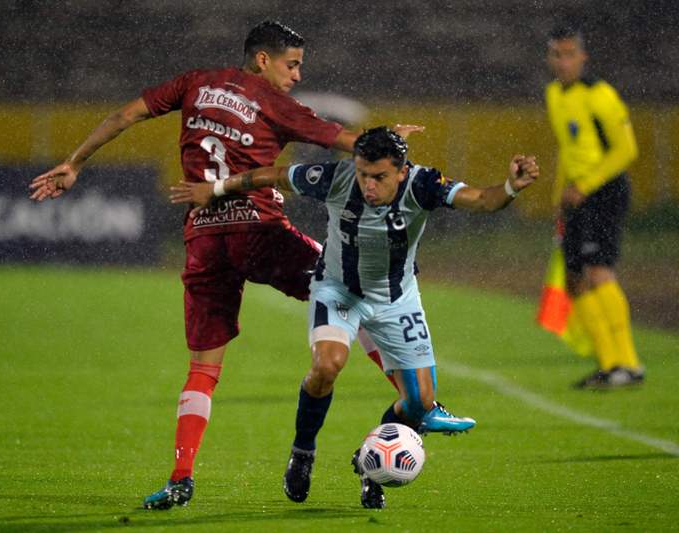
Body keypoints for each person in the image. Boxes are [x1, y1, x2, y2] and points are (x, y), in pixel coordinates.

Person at [28, 21, 413, 510]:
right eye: (292, 64)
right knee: (353, 292)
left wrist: (75, 162)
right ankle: (416, 397)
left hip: (205, 240)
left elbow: (126, 114)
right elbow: (350, 143)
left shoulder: (193, 83)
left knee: (204, 369)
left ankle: (181, 476)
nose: (296, 76)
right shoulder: (276, 103)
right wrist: (387, 138)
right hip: (261, 232)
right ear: (262, 60)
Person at [170, 126, 539, 508]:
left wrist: (511, 187)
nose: (368, 185)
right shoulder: (337, 177)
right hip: (338, 290)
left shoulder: (423, 183)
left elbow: (480, 199)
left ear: (401, 170)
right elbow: (275, 175)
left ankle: (369, 464)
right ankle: (303, 452)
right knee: (327, 366)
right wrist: (215, 190)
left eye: (379, 177)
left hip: (397, 300)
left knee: (419, 404)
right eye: (363, 174)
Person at [545, 26, 643, 389]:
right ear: (549, 58)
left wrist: (584, 186)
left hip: (604, 192)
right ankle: (608, 364)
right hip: (574, 198)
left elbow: (626, 150)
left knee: (600, 272)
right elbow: (567, 153)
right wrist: (560, 197)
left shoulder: (600, 95)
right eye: (557, 54)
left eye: (570, 54)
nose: (564, 61)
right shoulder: (554, 95)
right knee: (574, 280)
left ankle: (628, 363)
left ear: (583, 57)